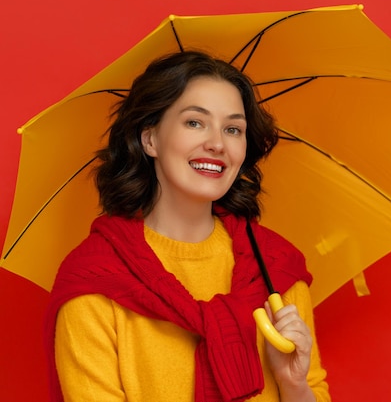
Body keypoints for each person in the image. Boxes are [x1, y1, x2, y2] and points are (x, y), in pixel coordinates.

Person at [43, 50, 331, 402]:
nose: (216, 143)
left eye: (233, 129)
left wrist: (293, 385)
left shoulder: (273, 268)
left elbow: (313, 389)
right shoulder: (97, 281)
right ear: (150, 139)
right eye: (195, 122)